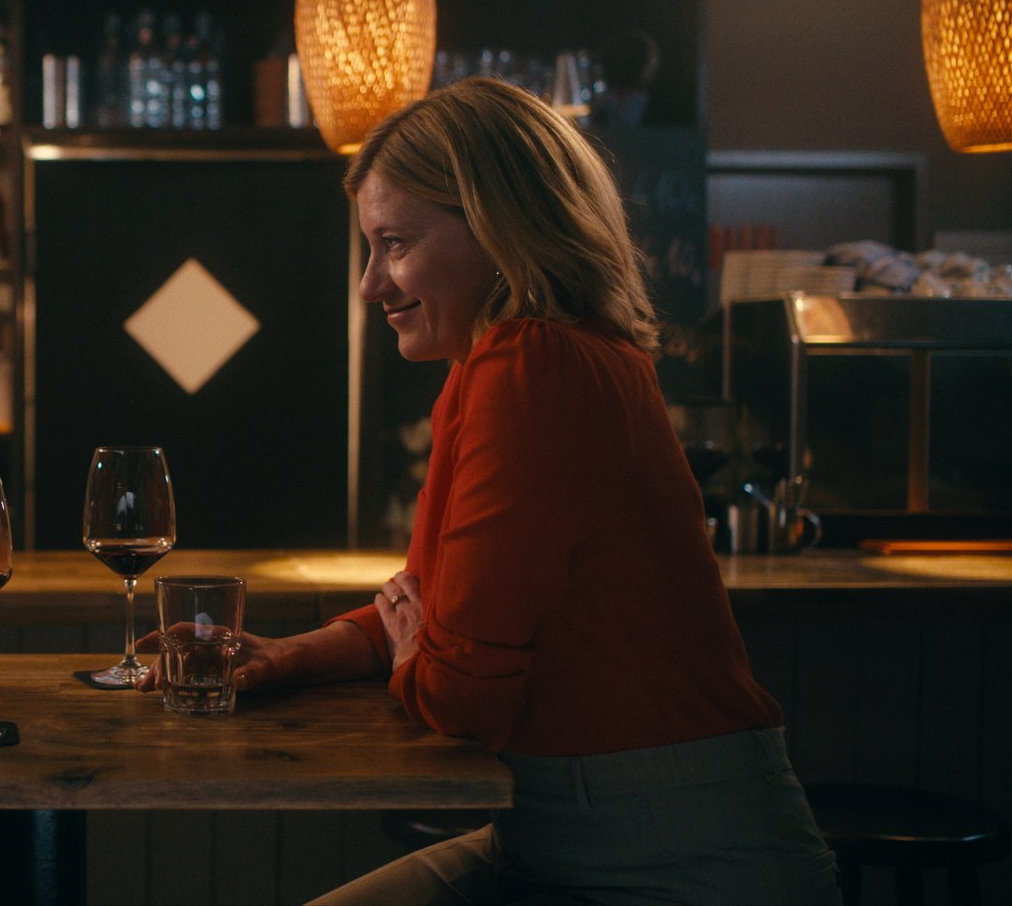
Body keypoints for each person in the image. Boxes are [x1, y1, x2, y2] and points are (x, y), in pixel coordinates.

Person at [142, 78, 840, 904]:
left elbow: (457, 691)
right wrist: (287, 656)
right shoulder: (525, 360)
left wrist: (421, 648)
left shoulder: (530, 365)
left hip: (675, 862)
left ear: (501, 226)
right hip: (586, 830)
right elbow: (429, 609)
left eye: (395, 244)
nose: (371, 284)